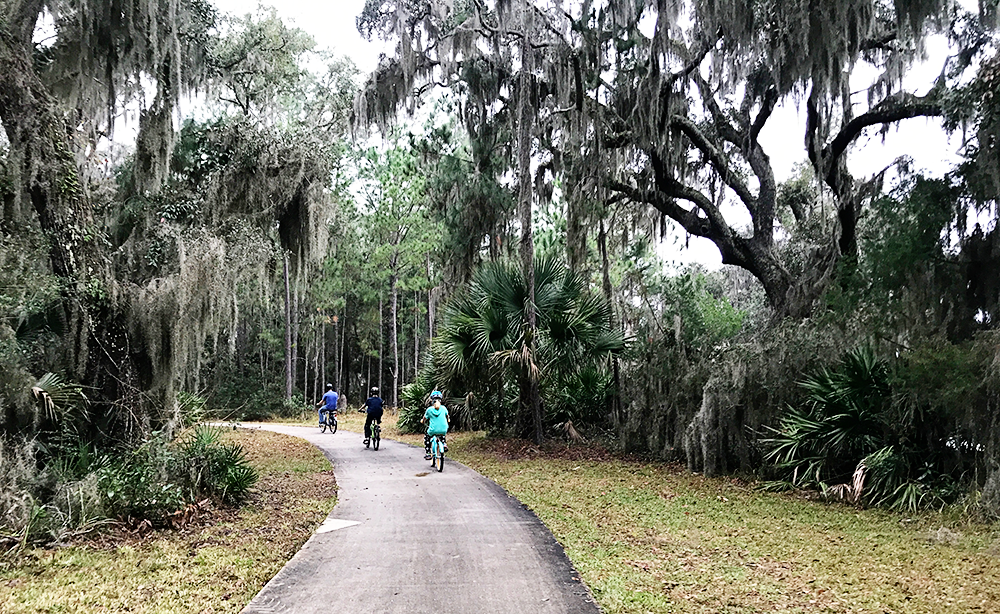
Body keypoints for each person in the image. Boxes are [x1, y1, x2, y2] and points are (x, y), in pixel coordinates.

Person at [422, 390, 449, 460]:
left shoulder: (429, 410)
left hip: (433, 430)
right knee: (442, 434)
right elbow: (447, 416)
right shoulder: (444, 408)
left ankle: (428, 453)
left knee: (427, 437)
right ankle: (444, 444)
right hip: (443, 429)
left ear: (432, 400)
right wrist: (448, 420)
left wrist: (422, 421)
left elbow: (424, 418)